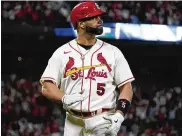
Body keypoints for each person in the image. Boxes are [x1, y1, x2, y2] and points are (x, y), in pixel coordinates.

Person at [40, 2, 135, 136]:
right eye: (94, 17)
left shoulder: (114, 52)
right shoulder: (61, 53)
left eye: (99, 16)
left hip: (103, 119)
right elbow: (46, 86)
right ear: (81, 23)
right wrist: (63, 98)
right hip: (73, 122)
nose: (99, 20)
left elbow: (127, 87)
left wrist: (119, 115)